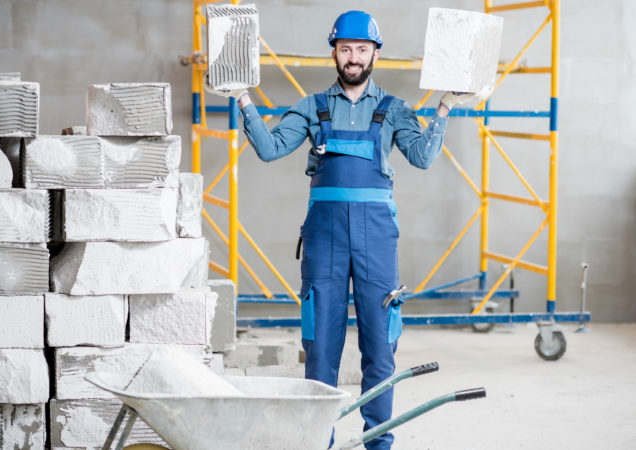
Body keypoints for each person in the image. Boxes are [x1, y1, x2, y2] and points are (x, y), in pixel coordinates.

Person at [207, 10, 485, 450]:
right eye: (345, 49)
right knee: (320, 349)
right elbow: (268, 148)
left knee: (381, 348)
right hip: (325, 240)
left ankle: (378, 442)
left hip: (376, 241)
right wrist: (241, 96)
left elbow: (423, 157)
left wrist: (446, 105)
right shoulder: (311, 107)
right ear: (334, 53)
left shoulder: (394, 110)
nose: (353, 57)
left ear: (375, 54)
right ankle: (319, 440)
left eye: (361, 49)